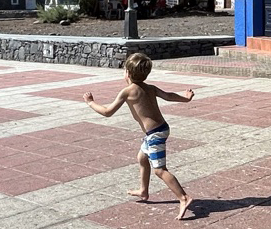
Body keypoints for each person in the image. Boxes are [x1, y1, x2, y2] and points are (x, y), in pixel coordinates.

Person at [83, 53, 195, 219]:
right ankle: (143, 191)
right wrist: (186, 99)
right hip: (159, 129)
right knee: (142, 158)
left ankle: (183, 197)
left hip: (155, 134)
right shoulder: (150, 88)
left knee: (160, 170)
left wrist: (90, 102)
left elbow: (107, 112)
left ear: (127, 73)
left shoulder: (127, 92)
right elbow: (169, 96)